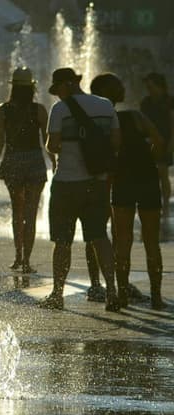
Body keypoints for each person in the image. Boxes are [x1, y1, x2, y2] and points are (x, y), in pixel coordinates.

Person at [42, 68, 120, 311]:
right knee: (99, 237)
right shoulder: (105, 105)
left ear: (66, 85)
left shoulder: (60, 109)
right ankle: (112, 291)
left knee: (62, 241)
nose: (56, 96)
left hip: (67, 183)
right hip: (96, 183)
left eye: (58, 90)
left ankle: (57, 294)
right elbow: (116, 142)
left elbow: (53, 146)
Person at [91, 73, 166, 310]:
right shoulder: (134, 116)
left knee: (121, 240)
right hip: (146, 178)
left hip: (121, 180)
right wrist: (148, 159)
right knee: (151, 240)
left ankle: (121, 295)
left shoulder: (98, 121)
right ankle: (155, 297)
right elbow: (159, 142)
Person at [0, 67, 54, 274]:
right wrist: (54, 162)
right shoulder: (39, 110)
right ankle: (27, 260)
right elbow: (47, 141)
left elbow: (0, 140)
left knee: (17, 213)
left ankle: (18, 256)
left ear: (13, 87)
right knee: (31, 213)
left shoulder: (4, 109)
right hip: (35, 162)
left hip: (12, 162)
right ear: (32, 87)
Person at [140, 73, 174, 216]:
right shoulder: (146, 102)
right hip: (149, 141)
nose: (148, 88)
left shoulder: (169, 101)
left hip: (165, 140)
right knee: (151, 173)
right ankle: (155, 202)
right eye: (147, 86)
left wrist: (171, 143)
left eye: (151, 85)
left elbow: (173, 123)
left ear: (159, 85)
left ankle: (165, 203)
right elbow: (142, 123)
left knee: (162, 172)